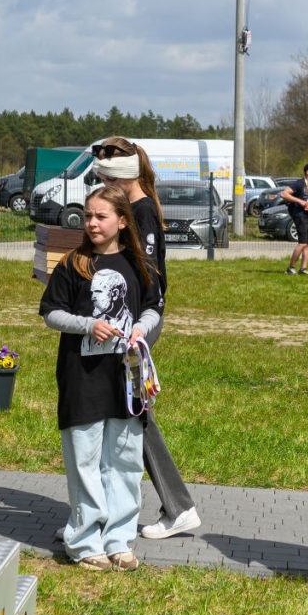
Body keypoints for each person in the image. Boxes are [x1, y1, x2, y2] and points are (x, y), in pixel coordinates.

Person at [39, 185, 161, 571]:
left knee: (125, 460)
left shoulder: (139, 264)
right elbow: (51, 313)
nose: (91, 223)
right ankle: (84, 542)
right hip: (82, 378)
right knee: (85, 461)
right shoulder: (73, 264)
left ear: (122, 221)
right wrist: (88, 325)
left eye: (101, 216)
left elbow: (153, 308)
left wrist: (142, 328)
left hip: (126, 380)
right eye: (89, 215)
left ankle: (118, 540)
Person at [92, 136, 202, 540]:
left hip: (137, 325)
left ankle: (178, 506)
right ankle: (98, 512)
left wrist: (137, 325)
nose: (103, 187)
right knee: (117, 412)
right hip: (129, 321)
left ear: (124, 175)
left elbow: (148, 277)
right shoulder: (139, 206)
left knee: (133, 412)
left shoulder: (141, 212)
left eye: (107, 179)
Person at [281, 163, 308, 275]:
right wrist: (300, 201)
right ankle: (291, 268)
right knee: (302, 243)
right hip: (300, 216)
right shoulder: (299, 184)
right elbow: (284, 194)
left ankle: (303, 268)